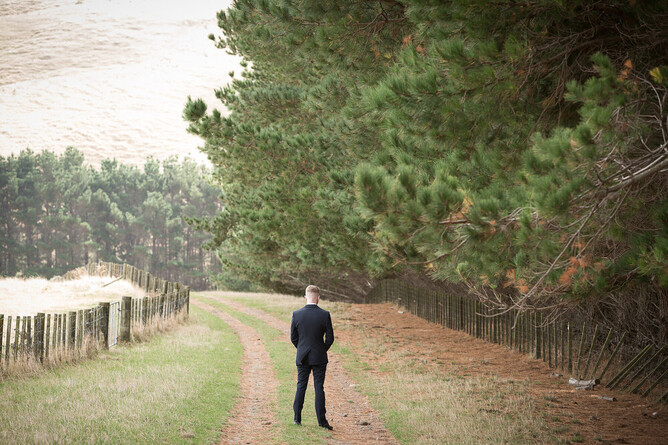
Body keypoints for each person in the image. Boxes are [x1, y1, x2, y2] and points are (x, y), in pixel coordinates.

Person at [290, 285, 335, 430]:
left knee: (301, 386)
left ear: (306, 297)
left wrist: (302, 349)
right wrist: (321, 349)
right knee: (318, 387)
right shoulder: (325, 314)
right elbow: (330, 338)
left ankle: (297, 419)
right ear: (318, 298)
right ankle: (322, 421)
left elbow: (293, 337)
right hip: (319, 356)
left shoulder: (297, 314)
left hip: (302, 356)